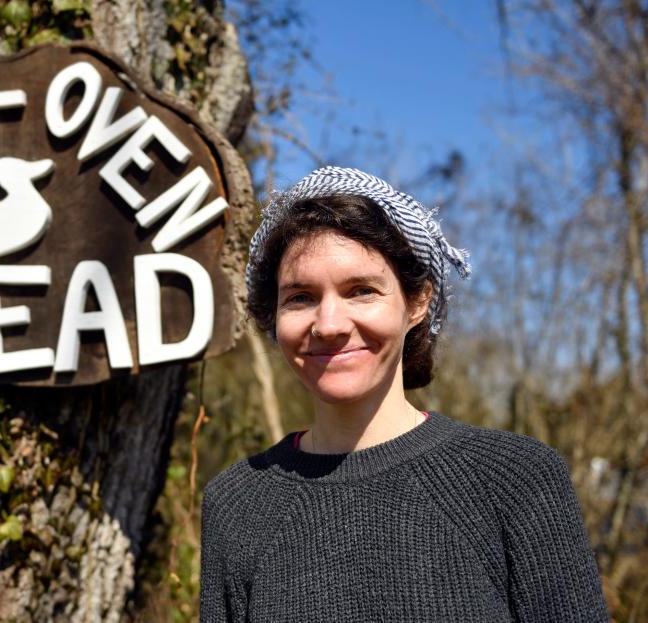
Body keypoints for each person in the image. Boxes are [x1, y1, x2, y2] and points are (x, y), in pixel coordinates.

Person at [198, 166, 610, 622]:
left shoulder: (516, 481)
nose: (329, 324)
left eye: (361, 291)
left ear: (417, 303)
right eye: (300, 297)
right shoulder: (236, 504)